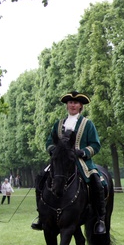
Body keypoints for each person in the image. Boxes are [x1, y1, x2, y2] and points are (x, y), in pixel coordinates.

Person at [32, 91, 107, 234]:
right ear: (67, 105)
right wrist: (54, 149)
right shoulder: (58, 124)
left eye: (76, 103)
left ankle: (100, 219)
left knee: (97, 182)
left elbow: (95, 145)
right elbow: (49, 142)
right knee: (41, 177)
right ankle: (42, 217)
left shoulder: (88, 124)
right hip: (60, 162)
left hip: (82, 163)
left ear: (80, 106)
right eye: (70, 102)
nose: (73, 105)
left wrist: (83, 152)